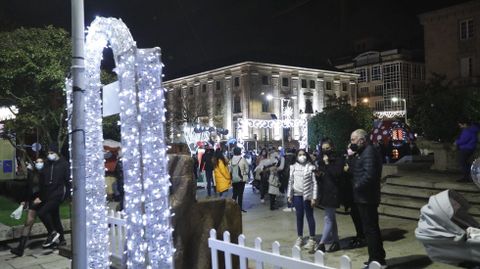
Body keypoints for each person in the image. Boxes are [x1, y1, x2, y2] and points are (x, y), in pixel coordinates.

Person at [349, 129, 387, 269]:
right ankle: (375, 258)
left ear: (362, 140)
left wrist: (357, 186)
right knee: (370, 229)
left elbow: (370, 175)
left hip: (367, 198)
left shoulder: (369, 152)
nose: (351, 143)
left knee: (371, 230)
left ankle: (377, 261)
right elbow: (354, 170)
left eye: (353, 140)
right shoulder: (362, 152)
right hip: (363, 198)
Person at [10, 158, 46, 256]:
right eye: (37, 162)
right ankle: (20, 248)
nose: (39, 163)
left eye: (41, 161)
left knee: (51, 222)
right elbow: (28, 188)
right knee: (28, 223)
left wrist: (42, 197)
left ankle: (61, 239)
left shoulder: (46, 172)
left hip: (44, 200)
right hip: (33, 201)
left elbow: (48, 187)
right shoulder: (31, 174)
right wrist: (24, 200)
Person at [314, 138, 344, 253]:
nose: (325, 151)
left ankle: (321, 244)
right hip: (324, 192)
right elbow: (323, 176)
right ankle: (336, 242)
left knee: (328, 218)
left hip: (333, 192)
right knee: (332, 218)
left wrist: (328, 163)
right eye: (323, 149)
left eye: (328, 148)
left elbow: (336, 174)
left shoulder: (338, 159)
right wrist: (318, 174)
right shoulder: (321, 160)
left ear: (332, 148)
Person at [37, 143, 70, 248]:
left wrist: (67, 196)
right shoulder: (47, 164)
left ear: (57, 153)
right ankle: (62, 240)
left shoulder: (64, 164)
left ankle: (52, 232)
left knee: (42, 212)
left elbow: (67, 181)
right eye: (48, 153)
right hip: (48, 194)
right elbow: (42, 179)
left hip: (57, 194)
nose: (49, 155)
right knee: (55, 218)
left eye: (52, 153)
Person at [287, 149, 317, 252]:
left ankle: (312, 239)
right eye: (300, 155)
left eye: (304, 154)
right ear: (296, 156)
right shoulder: (293, 167)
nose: (302, 156)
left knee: (310, 216)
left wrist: (314, 197)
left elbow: (315, 183)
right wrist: (289, 195)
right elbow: (290, 181)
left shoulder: (311, 167)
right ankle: (300, 237)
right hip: (297, 196)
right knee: (299, 217)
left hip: (307, 196)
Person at [230, 147, 249, 212]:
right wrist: (244, 173)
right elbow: (247, 168)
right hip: (241, 179)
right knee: (240, 194)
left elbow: (229, 170)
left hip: (234, 179)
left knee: (234, 194)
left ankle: (232, 208)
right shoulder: (242, 159)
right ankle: (240, 208)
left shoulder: (231, 160)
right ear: (240, 152)